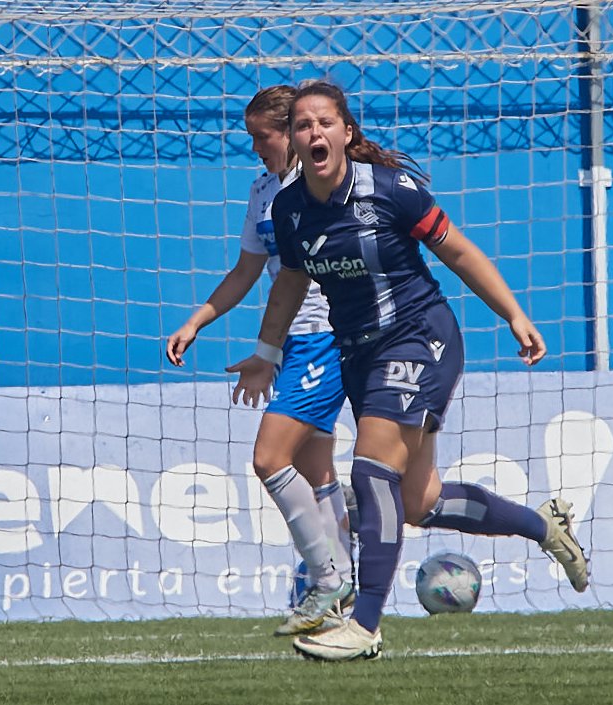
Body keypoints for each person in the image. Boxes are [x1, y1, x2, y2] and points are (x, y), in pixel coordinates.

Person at [227, 81, 588, 662]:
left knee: (371, 471)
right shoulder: (287, 209)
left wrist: (514, 314)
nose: (313, 132)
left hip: (421, 337)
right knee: (418, 501)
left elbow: (460, 253)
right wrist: (267, 353)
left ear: (346, 132)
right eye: (302, 125)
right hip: (358, 353)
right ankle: (544, 527)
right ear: (294, 140)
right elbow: (291, 282)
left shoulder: (393, 191)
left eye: (324, 122)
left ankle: (364, 623)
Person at [166, 85, 354, 637]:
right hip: (291, 343)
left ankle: (327, 578)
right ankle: (344, 601)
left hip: (325, 336)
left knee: (270, 460)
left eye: (261, 137)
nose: (255, 148)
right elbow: (247, 272)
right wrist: (196, 320)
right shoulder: (262, 191)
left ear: (292, 132)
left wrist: (265, 352)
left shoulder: (325, 186)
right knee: (318, 471)